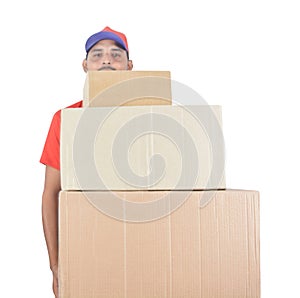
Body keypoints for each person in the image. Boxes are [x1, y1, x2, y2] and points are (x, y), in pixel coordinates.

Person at [40, 26, 133, 297]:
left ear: (129, 66)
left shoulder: (151, 114)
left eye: (116, 55)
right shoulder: (66, 119)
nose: (106, 60)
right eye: (97, 55)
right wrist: (55, 265)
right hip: (86, 250)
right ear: (85, 65)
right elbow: (50, 193)